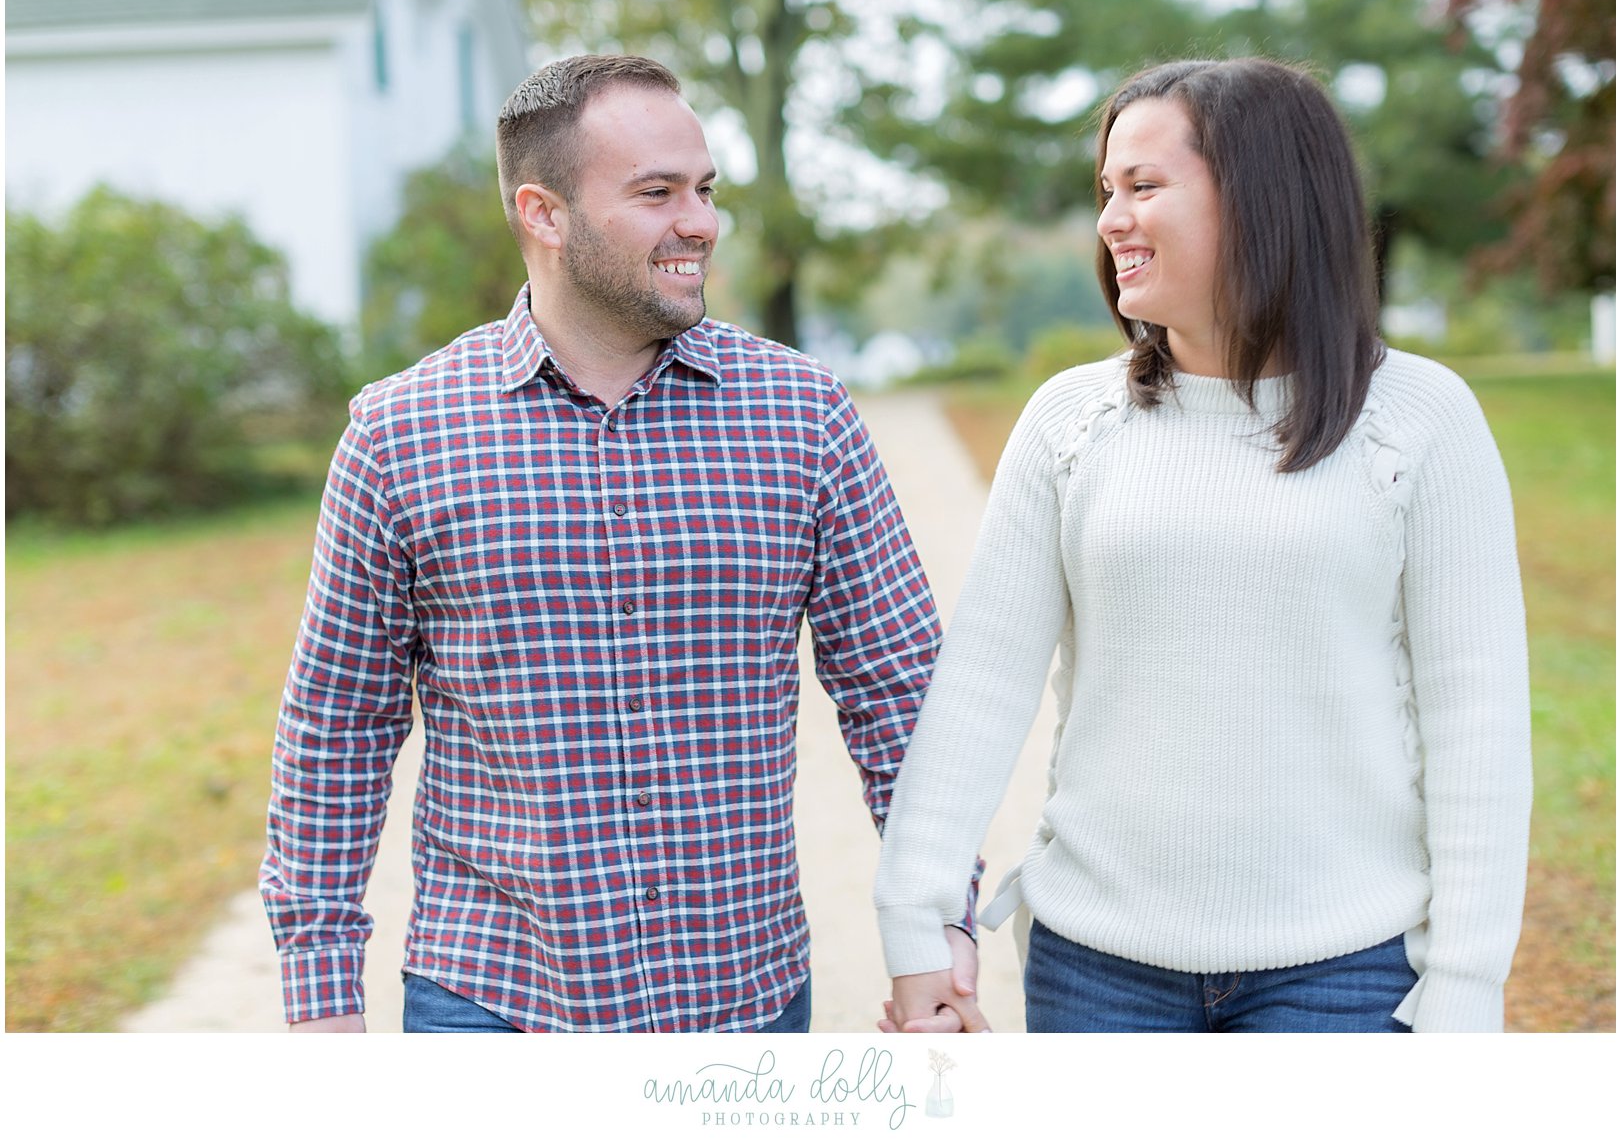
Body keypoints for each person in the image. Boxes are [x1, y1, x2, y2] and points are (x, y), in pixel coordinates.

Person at [260, 54, 977, 1033]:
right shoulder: (400, 436)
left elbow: (899, 695)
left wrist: (935, 934)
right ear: (543, 214)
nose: (701, 223)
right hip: (491, 1003)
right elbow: (337, 724)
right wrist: (320, 994)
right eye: (657, 193)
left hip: (740, 1007)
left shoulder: (803, 417)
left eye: (705, 189)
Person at [873, 57, 1532, 1033]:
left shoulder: (1419, 420)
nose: (1109, 221)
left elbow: (1475, 719)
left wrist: (1467, 987)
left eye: (1143, 188)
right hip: (1096, 974)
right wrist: (919, 919)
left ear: (1265, 200)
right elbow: (981, 685)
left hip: (1344, 979)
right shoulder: (1069, 422)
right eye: (1106, 191)